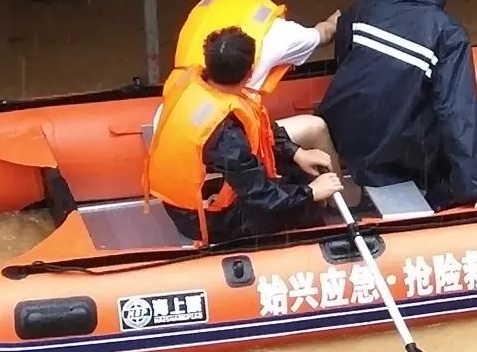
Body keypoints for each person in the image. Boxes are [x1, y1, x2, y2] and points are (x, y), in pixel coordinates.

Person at [317, 0, 477, 208]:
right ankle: (445, 197)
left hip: (345, 142)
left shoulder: (366, 6)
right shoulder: (448, 33)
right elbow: (457, 112)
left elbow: (346, 60)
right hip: (397, 157)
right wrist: (474, 190)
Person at [145, 26, 341, 245]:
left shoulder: (195, 86)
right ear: (250, 73)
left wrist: (296, 153)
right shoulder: (225, 135)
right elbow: (261, 197)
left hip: (198, 192)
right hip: (205, 218)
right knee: (304, 205)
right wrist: (311, 193)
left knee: (295, 172)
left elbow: (259, 130)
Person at [173, 0, 342, 174]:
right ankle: (346, 200)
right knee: (316, 128)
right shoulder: (279, 32)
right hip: (226, 138)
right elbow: (323, 34)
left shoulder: (207, 3)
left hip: (183, 120)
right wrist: (337, 20)